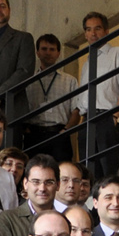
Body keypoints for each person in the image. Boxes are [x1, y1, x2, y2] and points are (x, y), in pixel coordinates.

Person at [67, 11, 119, 179]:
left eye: (97, 28)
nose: (93, 33)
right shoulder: (87, 62)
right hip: (87, 120)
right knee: (88, 173)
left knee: (109, 170)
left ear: (106, 31)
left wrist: (115, 118)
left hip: (107, 117)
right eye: (88, 30)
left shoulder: (118, 53)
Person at [0, 154, 59, 236]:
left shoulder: (66, 220)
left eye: (49, 182)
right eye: (36, 182)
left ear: (58, 185)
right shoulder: (7, 220)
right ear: (25, 183)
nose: (42, 188)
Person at [25, 33, 77, 161]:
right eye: (44, 49)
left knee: (61, 173)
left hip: (59, 134)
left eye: (52, 49)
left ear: (58, 53)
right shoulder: (28, 82)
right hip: (34, 135)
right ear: (37, 52)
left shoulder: (69, 81)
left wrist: (66, 130)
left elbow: (76, 110)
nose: (48, 53)